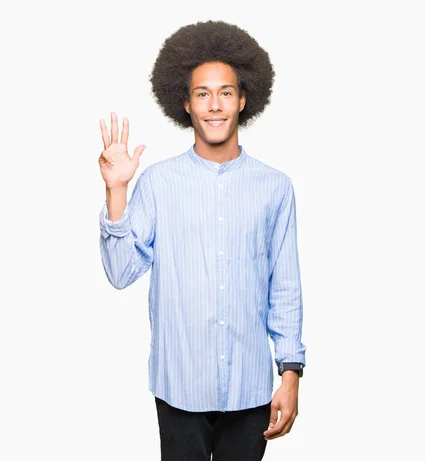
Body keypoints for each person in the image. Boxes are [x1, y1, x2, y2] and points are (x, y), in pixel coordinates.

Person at [97, 20, 306, 461]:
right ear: (186, 104)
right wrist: (117, 191)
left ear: (244, 99)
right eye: (202, 94)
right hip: (179, 388)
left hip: (250, 390)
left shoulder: (275, 187)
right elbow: (120, 273)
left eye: (225, 92)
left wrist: (290, 373)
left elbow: (284, 288)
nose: (215, 105)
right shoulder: (157, 183)